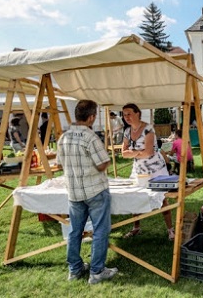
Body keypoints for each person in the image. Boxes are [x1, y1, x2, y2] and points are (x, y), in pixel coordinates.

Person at [56, 100, 118, 284]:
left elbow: (59, 164)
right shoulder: (90, 137)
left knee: (75, 231)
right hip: (95, 191)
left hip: (74, 192)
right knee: (100, 231)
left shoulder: (64, 137)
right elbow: (102, 164)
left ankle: (74, 270)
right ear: (91, 117)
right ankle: (97, 271)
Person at [121, 103, 174, 240]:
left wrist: (132, 152)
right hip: (138, 170)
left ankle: (170, 230)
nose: (126, 117)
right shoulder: (127, 131)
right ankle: (136, 227)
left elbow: (149, 152)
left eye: (129, 114)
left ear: (137, 113)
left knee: (162, 199)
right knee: (134, 197)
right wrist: (139, 152)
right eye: (124, 114)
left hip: (156, 169)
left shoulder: (148, 129)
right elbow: (123, 153)